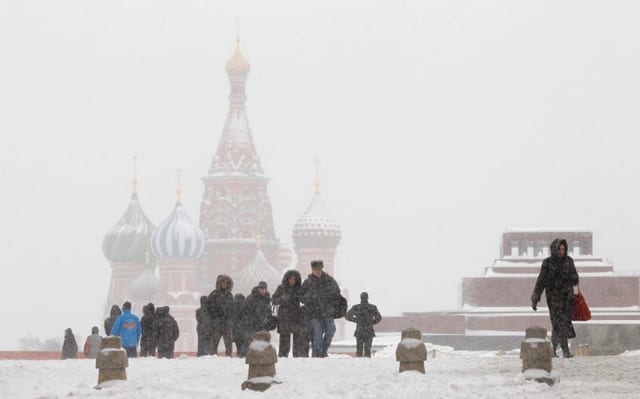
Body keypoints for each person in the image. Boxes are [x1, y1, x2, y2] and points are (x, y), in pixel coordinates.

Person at [531, 238, 579, 358]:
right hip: (554, 298)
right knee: (558, 323)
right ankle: (563, 350)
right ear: (554, 249)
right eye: (559, 249)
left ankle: (556, 349)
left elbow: (575, 279)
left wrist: (570, 276)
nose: (561, 251)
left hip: (567, 298)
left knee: (562, 323)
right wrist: (536, 297)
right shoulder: (547, 263)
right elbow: (541, 281)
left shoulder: (569, 261)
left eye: (563, 249)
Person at [300, 260, 341, 358]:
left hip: (327, 312)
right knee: (317, 334)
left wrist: (329, 299)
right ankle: (319, 353)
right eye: (315, 269)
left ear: (322, 269)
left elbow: (337, 293)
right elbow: (301, 296)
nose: (317, 271)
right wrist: (310, 298)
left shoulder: (329, 280)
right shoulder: (308, 282)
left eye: (319, 269)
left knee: (331, 330)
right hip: (314, 313)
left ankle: (324, 350)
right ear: (312, 270)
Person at [272, 270, 304, 357]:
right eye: (291, 279)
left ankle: (297, 356)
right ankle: (283, 356)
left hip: (296, 316)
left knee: (297, 338)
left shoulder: (299, 289)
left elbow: (305, 300)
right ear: (287, 279)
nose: (292, 281)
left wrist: (299, 298)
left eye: (294, 279)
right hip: (284, 316)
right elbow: (274, 300)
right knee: (284, 339)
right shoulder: (281, 288)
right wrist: (282, 299)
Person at [346, 292, 382, 357]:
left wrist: (356, 320)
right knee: (368, 350)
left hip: (360, 330)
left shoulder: (356, 307)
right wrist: (372, 322)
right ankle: (367, 363)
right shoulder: (372, 307)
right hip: (369, 330)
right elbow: (379, 318)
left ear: (361, 297)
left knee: (359, 350)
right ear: (367, 297)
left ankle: (359, 363)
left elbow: (347, 316)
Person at [207, 274, 234, 356]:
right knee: (214, 342)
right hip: (217, 323)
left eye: (226, 282)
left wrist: (229, 317)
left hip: (227, 323)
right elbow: (209, 308)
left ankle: (229, 357)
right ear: (219, 283)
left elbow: (232, 308)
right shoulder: (214, 294)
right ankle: (213, 357)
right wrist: (215, 317)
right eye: (223, 281)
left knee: (228, 343)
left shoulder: (229, 295)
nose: (225, 284)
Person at [231, 293, 249, 358]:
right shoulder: (245, 307)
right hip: (243, 330)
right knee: (243, 346)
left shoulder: (233, 307)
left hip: (236, 330)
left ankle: (239, 355)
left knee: (238, 346)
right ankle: (242, 356)